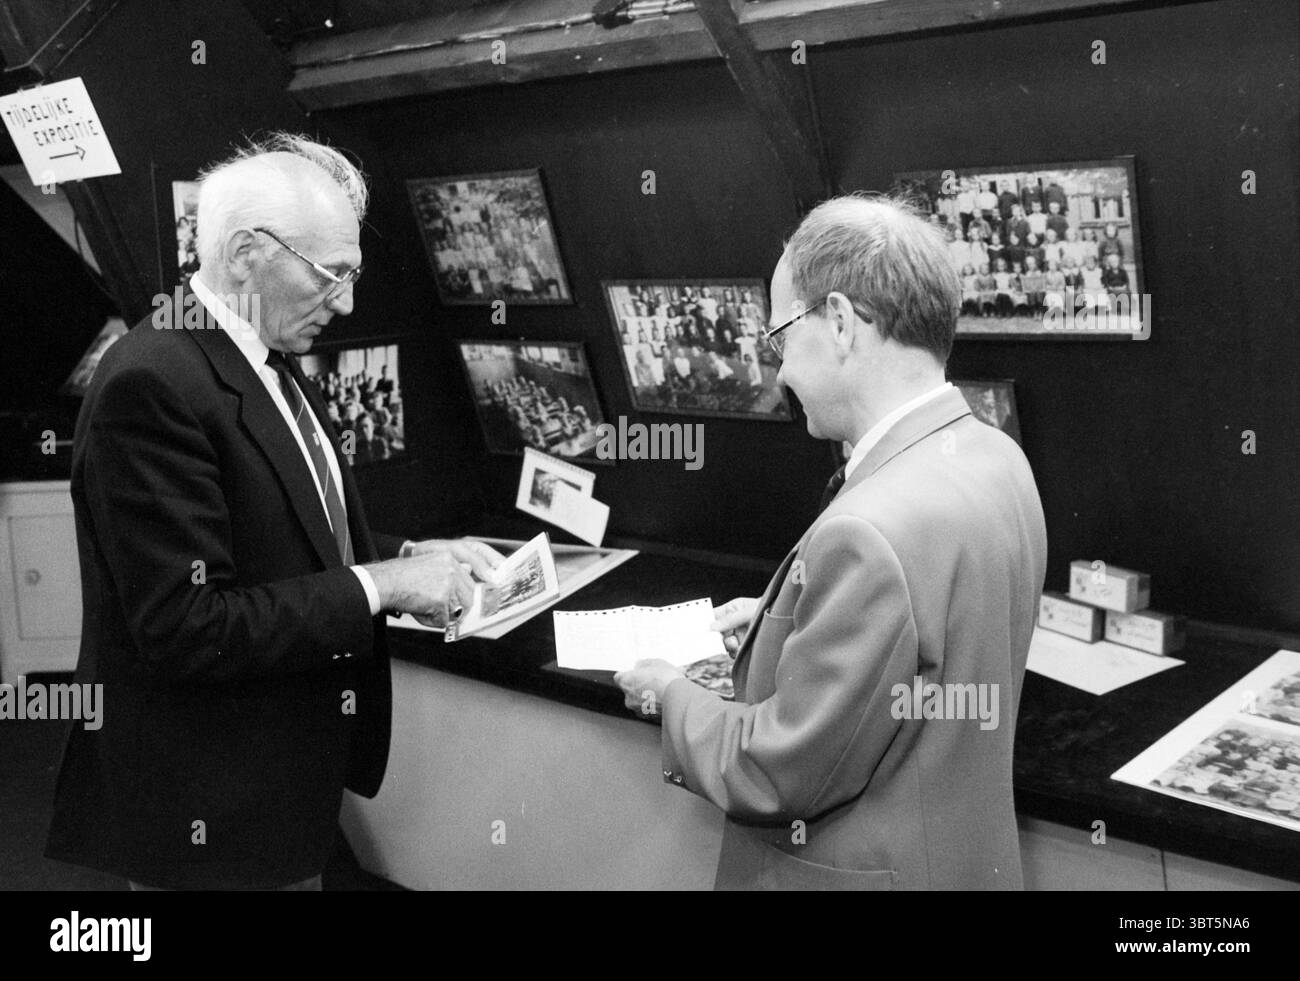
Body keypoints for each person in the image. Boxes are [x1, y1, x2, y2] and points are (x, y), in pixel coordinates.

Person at [45, 133, 503, 891]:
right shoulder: (153, 382)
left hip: (273, 796)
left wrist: (414, 550)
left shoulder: (260, 353)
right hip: (208, 816)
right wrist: (385, 584)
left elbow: (283, 522)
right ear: (246, 254)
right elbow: (188, 626)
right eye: (331, 275)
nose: (347, 302)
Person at [615, 194, 1047, 889]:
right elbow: (922, 644)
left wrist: (670, 691)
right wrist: (782, 621)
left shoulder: (868, 532)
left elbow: (773, 771)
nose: (780, 371)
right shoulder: (998, 457)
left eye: (782, 336)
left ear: (841, 322)